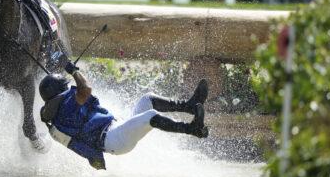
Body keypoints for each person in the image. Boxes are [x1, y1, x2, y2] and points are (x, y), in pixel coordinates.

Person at [39, 61, 209, 170]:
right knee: (150, 116)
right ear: (60, 91)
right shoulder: (66, 107)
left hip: (116, 131)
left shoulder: (59, 113)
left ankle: (189, 106)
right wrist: (74, 71)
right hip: (115, 139)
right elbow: (86, 89)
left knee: (147, 99)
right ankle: (192, 129)